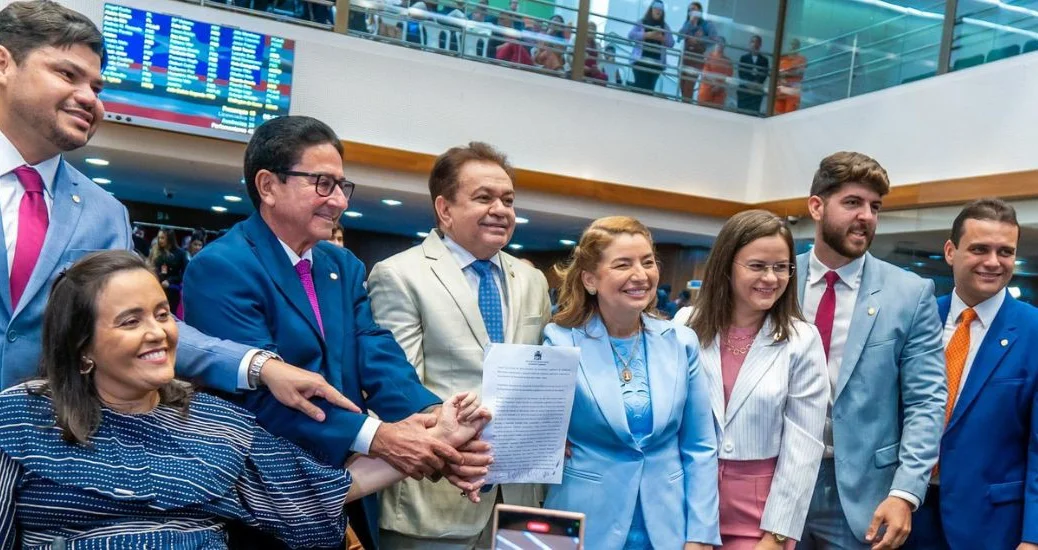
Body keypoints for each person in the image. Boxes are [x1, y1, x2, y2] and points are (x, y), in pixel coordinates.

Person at [0, 0, 350, 421]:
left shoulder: (104, 212)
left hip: (44, 444)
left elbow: (140, 326)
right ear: (4, 64)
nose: (87, 98)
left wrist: (260, 367)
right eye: (67, 74)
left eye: (96, 87)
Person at [0, 250, 493, 548]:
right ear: (82, 346)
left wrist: (438, 441)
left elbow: (318, 492)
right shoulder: (18, 420)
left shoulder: (216, 423)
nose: (158, 334)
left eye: (162, 314)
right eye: (130, 321)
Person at [183, 116, 490, 550]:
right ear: (268, 186)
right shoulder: (222, 267)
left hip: (348, 497)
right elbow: (265, 397)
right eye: (323, 183)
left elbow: (376, 354)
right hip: (266, 500)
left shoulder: (341, 266)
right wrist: (379, 437)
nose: (339, 201)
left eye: (343, 186)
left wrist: (436, 421)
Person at [369, 142, 552, 549]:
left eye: (508, 199)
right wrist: (458, 449)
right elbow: (398, 389)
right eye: (483, 198)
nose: (501, 209)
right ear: (445, 209)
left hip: (519, 496)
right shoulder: (399, 275)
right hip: (434, 497)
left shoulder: (532, 281)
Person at [795, 152, 946, 550]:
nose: (866, 216)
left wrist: (905, 493)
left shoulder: (909, 294)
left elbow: (927, 402)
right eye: (852, 203)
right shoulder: (779, 281)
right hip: (777, 483)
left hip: (864, 498)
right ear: (816, 206)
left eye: (874, 207)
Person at [543, 215, 720, 550]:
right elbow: (538, 430)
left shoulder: (682, 342)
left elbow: (699, 447)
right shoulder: (560, 342)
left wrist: (701, 534)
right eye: (623, 264)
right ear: (591, 279)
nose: (640, 275)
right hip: (585, 520)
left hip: (667, 525)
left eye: (648, 262)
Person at [676, 210, 828, 549]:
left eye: (781, 267)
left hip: (758, 513)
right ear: (726, 266)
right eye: (757, 266)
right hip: (684, 496)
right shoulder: (685, 324)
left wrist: (776, 536)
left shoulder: (802, 340)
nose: (771, 278)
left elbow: (802, 448)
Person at [904, 199, 1038, 550]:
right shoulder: (918, 320)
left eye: (1005, 251)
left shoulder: (1033, 330)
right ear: (951, 251)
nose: (993, 262)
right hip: (905, 513)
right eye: (980, 249)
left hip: (993, 526)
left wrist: (1033, 537)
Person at [628, 1, 674, 93]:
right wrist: (647, 35)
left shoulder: (665, 26)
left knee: (650, 89)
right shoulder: (642, 22)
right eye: (656, 8)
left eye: (660, 9)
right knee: (639, 87)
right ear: (651, 9)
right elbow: (631, 35)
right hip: (640, 60)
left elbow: (671, 43)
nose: (658, 11)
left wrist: (662, 39)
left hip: (656, 63)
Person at [677, 2, 717, 100]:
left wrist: (699, 39)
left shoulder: (707, 24)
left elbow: (714, 40)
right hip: (685, 57)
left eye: (694, 9)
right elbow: (679, 37)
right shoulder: (687, 23)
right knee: (682, 86)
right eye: (690, 10)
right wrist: (690, 23)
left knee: (689, 87)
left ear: (700, 12)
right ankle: (684, 106)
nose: (692, 11)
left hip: (696, 58)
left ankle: (686, 109)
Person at [149, 228, 188, 314]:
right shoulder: (155, 251)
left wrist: (170, 281)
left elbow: (185, 274)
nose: (160, 240)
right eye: (159, 238)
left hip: (172, 291)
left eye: (162, 238)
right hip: (156, 288)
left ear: (169, 238)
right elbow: (150, 268)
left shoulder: (180, 253)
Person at [697, 37, 733, 108]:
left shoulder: (728, 61)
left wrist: (718, 86)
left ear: (724, 45)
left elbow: (728, 78)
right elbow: (705, 73)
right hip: (706, 92)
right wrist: (716, 84)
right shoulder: (708, 57)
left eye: (722, 43)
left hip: (719, 94)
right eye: (718, 42)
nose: (719, 44)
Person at [737, 35, 769, 113]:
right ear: (749, 43)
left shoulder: (765, 60)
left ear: (760, 45)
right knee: (741, 113)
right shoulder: (743, 58)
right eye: (753, 42)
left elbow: (764, 74)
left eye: (757, 42)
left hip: (757, 92)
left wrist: (755, 84)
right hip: (744, 91)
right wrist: (749, 84)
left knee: (754, 114)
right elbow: (741, 73)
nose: (755, 44)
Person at [775, 38, 806, 114]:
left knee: (789, 115)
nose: (792, 46)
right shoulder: (782, 58)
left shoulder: (801, 59)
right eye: (791, 44)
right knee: (776, 116)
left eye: (795, 45)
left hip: (792, 92)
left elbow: (800, 73)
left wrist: (785, 74)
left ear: (798, 47)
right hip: (780, 91)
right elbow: (776, 73)